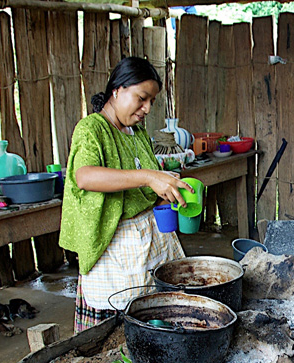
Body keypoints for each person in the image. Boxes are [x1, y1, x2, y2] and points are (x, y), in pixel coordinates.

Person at [59, 57, 194, 333]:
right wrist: (149, 176)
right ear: (117, 90)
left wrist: (164, 187)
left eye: (151, 102)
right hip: (115, 247)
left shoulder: (137, 131)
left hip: (151, 239)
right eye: (142, 98)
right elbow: (84, 176)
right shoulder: (92, 129)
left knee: (155, 316)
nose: (147, 108)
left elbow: (145, 180)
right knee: (117, 332)